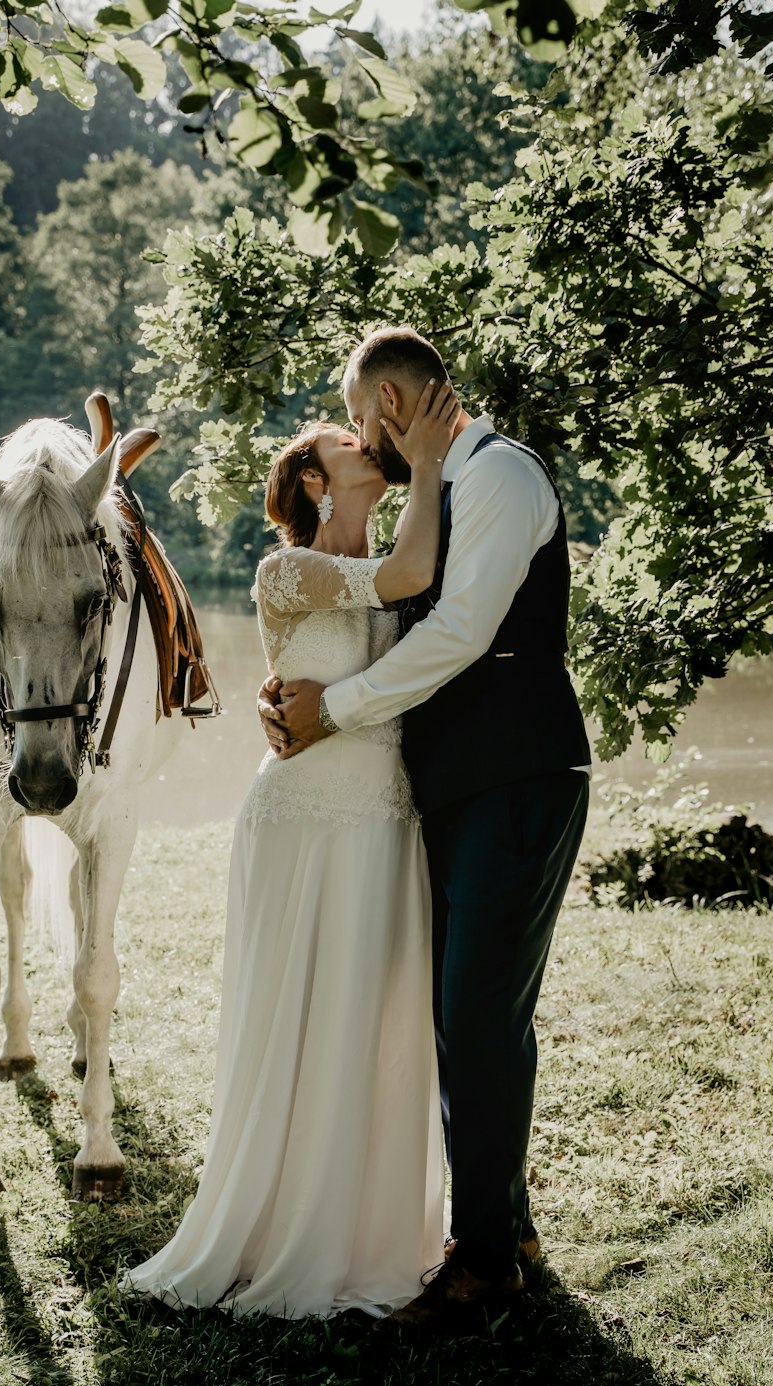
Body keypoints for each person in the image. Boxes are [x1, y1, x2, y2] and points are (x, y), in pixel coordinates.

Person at [266, 326, 591, 1328]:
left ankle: (484, 1262)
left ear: (393, 409)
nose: (361, 439)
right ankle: (507, 1227)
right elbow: (380, 596)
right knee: (475, 1018)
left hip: (517, 784)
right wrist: (287, 694)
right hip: (454, 794)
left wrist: (337, 706)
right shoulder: (440, 493)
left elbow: (459, 633)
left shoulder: (498, 478)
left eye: (364, 419)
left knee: (478, 1017)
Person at [123, 384, 461, 1318]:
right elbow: (394, 582)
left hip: (387, 820)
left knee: (375, 1021)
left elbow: (415, 612)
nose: (367, 441)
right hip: (306, 818)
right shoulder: (288, 572)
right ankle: (279, 1227)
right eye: (347, 440)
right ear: (314, 477)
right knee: (301, 1017)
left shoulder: (400, 557)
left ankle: (365, 1229)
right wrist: (426, 461)